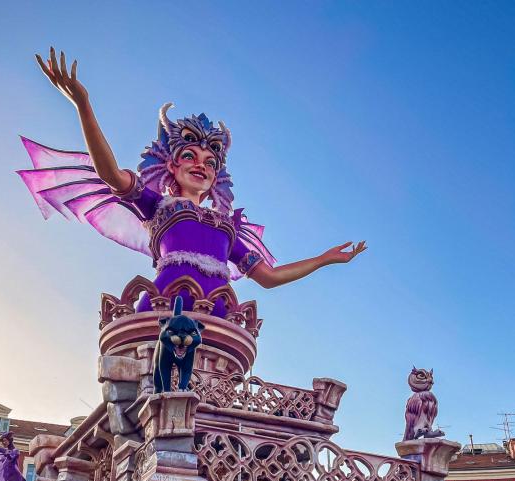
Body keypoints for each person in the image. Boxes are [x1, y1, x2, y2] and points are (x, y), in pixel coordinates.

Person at [18, 48, 366, 316]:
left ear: (217, 177)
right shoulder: (158, 206)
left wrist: (324, 259)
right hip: (166, 310)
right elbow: (110, 174)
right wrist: (83, 105)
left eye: (210, 163)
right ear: (170, 164)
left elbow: (269, 278)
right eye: (189, 156)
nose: (201, 166)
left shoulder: (226, 228)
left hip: (218, 316)